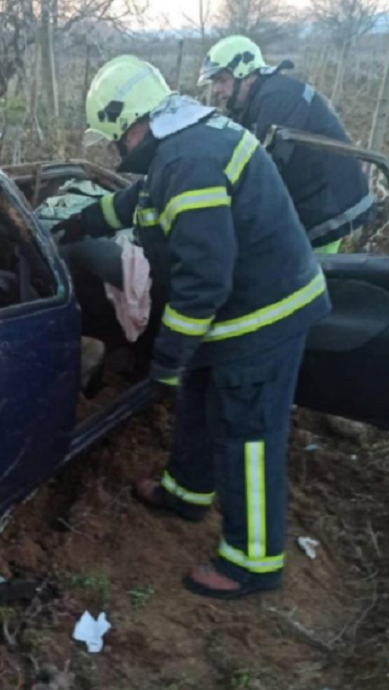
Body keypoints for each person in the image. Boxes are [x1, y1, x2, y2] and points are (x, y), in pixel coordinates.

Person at [61, 55, 330, 598]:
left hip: (262, 316)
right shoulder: (185, 138)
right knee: (199, 399)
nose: (118, 149)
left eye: (115, 138)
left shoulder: (188, 162)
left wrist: (169, 355)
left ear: (130, 123)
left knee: (248, 436)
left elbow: (204, 278)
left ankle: (252, 561)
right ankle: (187, 490)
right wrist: (87, 219)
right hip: (237, 311)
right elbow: (146, 200)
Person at [199, 35, 373, 253]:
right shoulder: (250, 103)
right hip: (310, 197)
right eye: (214, 82)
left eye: (222, 80)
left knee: (305, 276)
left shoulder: (279, 98)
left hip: (330, 204)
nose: (215, 90)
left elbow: (264, 166)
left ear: (245, 74)